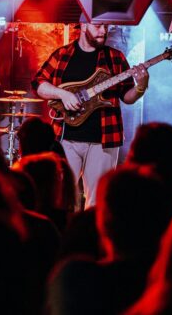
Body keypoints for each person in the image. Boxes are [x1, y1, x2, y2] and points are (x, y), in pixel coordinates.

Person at [32, 22, 149, 208]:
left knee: (98, 201)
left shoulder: (115, 57)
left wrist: (141, 87)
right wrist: (63, 94)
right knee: (62, 198)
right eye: (98, 26)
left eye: (106, 27)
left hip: (104, 140)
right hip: (66, 139)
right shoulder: (62, 54)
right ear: (84, 25)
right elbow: (38, 83)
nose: (103, 31)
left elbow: (127, 96)